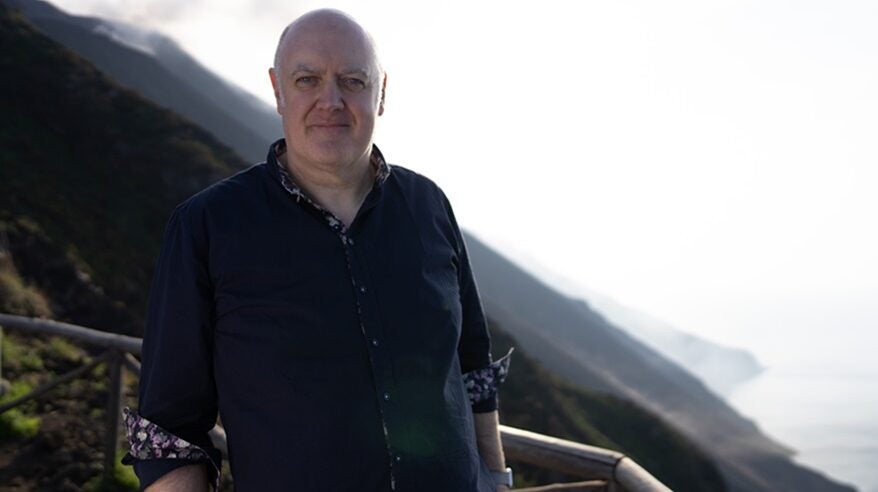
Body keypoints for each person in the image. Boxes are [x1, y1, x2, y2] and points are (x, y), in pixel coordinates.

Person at [123, 8, 513, 492]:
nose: (330, 101)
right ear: (277, 89)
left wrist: (496, 480)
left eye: (352, 80)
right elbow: (172, 430)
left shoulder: (429, 205)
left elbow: (474, 366)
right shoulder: (207, 226)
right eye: (308, 79)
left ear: (381, 91)